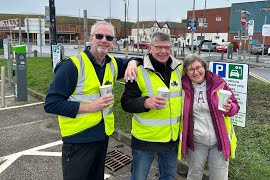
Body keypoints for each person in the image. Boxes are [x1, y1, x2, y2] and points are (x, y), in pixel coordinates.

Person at [44, 21, 140, 180]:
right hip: (78, 140)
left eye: (109, 37)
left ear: (113, 41)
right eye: (99, 36)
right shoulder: (72, 66)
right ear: (91, 38)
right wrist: (91, 107)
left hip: (102, 137)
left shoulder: (112, 63)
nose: (104, 40)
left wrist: (131, 63)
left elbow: (137, 58)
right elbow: (51, 104)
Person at [121, 31, 183, 180]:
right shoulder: (137, 71)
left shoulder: (179, 68)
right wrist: (146, 102)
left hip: (170, 139)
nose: (163, 51)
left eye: (167, 47)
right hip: (145, 140)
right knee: (138, 177)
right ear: (149, 47)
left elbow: (199, 72)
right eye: (159, 47)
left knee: (168, 177)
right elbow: (126, 103)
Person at [181, 54, 240, 180]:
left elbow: (235, 106)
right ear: (186, 71)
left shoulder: (218, 83)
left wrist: (230, 108)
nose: (196, 72)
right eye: (191, 69)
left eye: (199, 67)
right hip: (196, 141)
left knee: (219, 177)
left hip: (218, 141)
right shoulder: (182, 88)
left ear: (204, 67)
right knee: (194, 175)